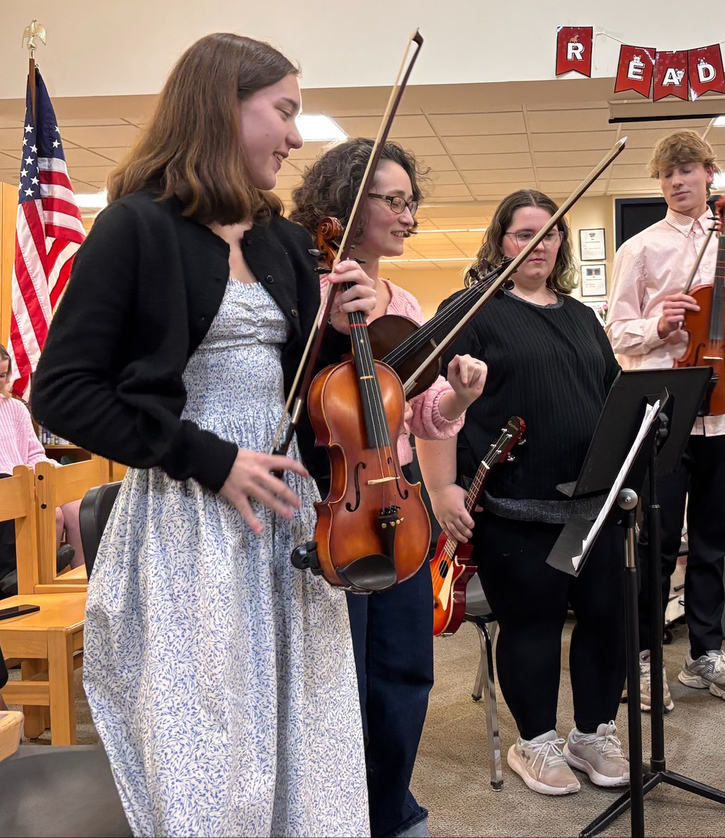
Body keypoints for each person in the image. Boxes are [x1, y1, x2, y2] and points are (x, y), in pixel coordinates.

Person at [31, 33, 372, 836]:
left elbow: (303, 393)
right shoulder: (134, 228)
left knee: (304, 739)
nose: (296, 136)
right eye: (283, 112)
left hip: (286, 519)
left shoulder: (284, 241)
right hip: (189, 524)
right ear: (224, 106)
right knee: (212, 750)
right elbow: (63, 393)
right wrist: (204, 457)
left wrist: (345, 330)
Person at [290, 137, 487, 837]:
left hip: (397, 497)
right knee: (334, 674)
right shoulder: (304, 291)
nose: (409, 216)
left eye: (412, 202)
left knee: (406, 667)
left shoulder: (403, 299)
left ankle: (391, 805)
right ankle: (338, 811)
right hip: (329, 497)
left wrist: (459, 398)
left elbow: (420, 413)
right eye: (394, 201)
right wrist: (345, 320)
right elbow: (307, 402)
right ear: (347, 205)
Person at [417, 189, 629, 797]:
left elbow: (612, 393)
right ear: (501, 240)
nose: (539, 246)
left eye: (550, 234)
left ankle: (592, 733)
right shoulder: (471, 309)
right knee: (532, 626)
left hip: (594, 504)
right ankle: (534, 742)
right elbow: (430, 405)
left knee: (604, 621)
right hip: (516, 503)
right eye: (523, 235)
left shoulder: (581, 315)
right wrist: (443, 487)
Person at [605, 130, 725, 710]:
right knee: (657, 538)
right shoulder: (640, 249)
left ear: (708, 173)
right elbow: (617, 336)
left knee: (712, 541)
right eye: (667, 174)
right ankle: (645, 657)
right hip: (666, 409)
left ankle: (706, 654)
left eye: (687, 170)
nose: (677, 182)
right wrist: (659, 327)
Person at [0, 346, 83, 569]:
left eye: (2, 375)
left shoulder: (16, 408)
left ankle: (82, 582)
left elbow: (34, 454)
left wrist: (56, 474)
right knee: (53, 514)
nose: (0, 381)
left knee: (77, 507)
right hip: (8, 487)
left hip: (28, 480)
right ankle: (42, 573)